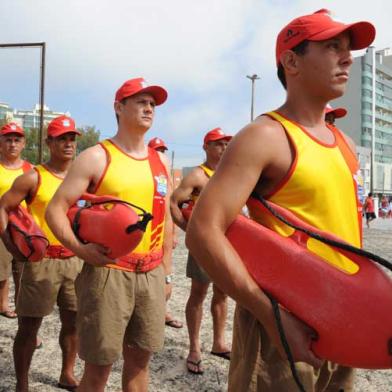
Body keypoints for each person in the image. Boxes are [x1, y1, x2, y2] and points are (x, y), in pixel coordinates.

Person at [186, 9, 375, 391]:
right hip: (284, 324)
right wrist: (271, 316)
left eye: (348, 50)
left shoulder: (346, 144)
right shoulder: (265, 136)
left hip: (343, 319)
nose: (347, 58)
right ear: (291, 61)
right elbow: (203, 232)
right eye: (332, 47)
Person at [46, 77, 173, 392]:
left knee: (140, 367)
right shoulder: (97, 156)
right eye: (140, 102)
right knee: (99, 369)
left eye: (152, 104)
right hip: (109, 274)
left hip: (151, 274)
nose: (148, 108)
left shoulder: (160, 162)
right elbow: (55, 210)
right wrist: (81, 250)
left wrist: (166, 272)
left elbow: (166, 219)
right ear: (119, 107)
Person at [0, 116, 82, 392]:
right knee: (29, 328)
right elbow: (3, 207)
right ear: (49, 143)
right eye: (62, 138)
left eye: (72, 138)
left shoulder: (84, 178)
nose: (68, 144)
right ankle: (21, 384)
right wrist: (12, 247)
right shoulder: (34, 176)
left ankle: (67, 374)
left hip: (74, 260)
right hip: (41, 262)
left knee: (73, 323)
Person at [170, 128, 232, 375]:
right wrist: (189, 231)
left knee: (223, 294)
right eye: (218, 144)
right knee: (199, 293)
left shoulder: (231, 174)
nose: (223, 148)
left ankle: (218, 343)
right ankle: (194, 348)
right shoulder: (198, 175)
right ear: (206, 147)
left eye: (226, 143)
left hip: (227, 244)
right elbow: (174, 203)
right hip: (205, 244)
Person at [148, 136, 183, 329]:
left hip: (164, 231)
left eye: (163, 150)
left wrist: (174, 233)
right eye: (157, 150)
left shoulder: (166, 174)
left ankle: (163, 310)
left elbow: (171, 209)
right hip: (149, 232)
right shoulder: (148, 171)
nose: (161, 153)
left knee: (166, 271)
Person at [0, 122, 33, 319]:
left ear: (23, 144)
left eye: (17, 140)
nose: (13, 144)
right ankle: (3, 305)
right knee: (2, 270)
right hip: (1, 226)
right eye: (8, 140)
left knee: (23, 272)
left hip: (23, 228)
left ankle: (24, 311)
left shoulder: (31, 169)